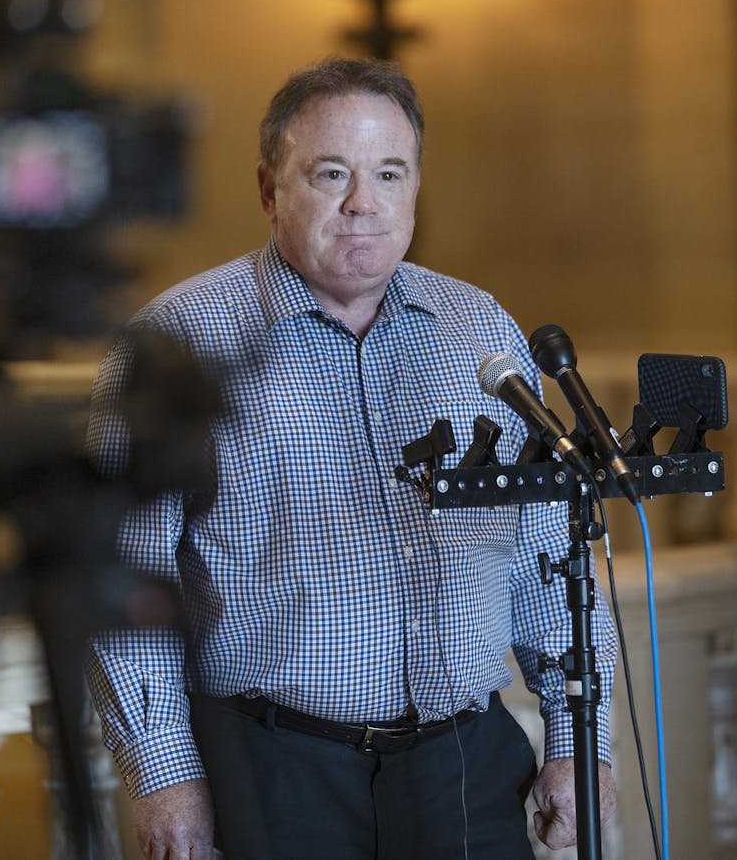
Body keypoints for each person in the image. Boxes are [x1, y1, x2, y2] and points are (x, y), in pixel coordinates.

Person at [85, 57, 619, 859]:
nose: (363, 204)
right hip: (274, 770)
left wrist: (582, 741)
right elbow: (122, 577)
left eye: (389, 173)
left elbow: (547, 552)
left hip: (467, 765)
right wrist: (163, 773)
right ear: (269, 189)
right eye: (330, 174)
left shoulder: (479, 328)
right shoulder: (175, 344)